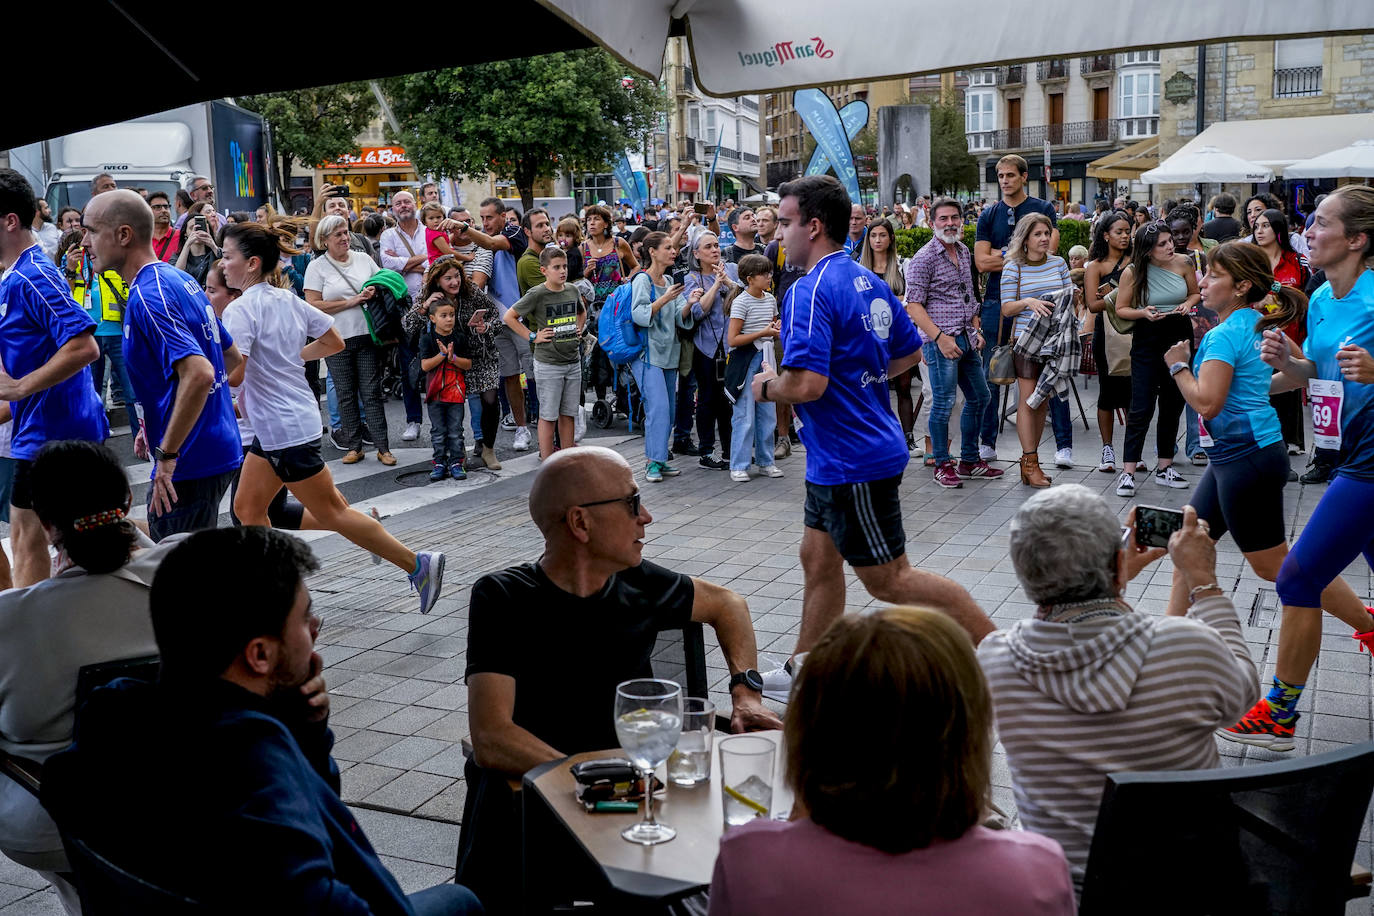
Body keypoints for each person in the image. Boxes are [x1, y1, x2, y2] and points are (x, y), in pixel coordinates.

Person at [42, 526, 482, 915]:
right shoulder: (252, 758)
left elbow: (313, 818)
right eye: (304, 617)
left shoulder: (111, 715)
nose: (315, 627)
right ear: (259, 654)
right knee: (463, 901)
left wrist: (307, 735)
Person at [460, 446, 783, 911]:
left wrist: (746, 695)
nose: (646, 517)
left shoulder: (639, 581)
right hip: (534, 816)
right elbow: (491, 737)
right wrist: (599, 784)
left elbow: (728, 604)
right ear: (580, 523)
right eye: (632, 503)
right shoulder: (504, 598)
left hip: (637, 805)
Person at [749, 175, 996, 700]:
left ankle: (1004, 654)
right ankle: (804, 670)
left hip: (850, 459)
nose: (778, 233)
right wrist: (861, 379)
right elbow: (907, 352)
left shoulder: (808, 290)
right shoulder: (867, 279)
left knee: (891, 580)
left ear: (813, 227)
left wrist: (764, 388)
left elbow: (807, 385)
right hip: (848, 453)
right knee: (817, 560)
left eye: (787, 223)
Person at [709, 607, 1076, 916]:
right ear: (969, 731)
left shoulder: (749, 857)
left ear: (809, 730)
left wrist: (806, 798)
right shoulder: (1035, 873)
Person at [979, 485, 1258, 890]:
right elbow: (1244, 693)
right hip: (1189, 888)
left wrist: (1111, 577)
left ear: (1023, 571)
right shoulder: (1187, 646)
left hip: (1061, 895)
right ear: (1115, 563)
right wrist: (1203, 580)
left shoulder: (996, 660)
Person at [222, 221, 446, 613]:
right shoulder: (286, 299)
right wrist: (292, 358)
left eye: (228, 257)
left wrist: (201, 374)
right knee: (247, 509)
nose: (223, 266)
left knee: (333, 514)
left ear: (252, 263)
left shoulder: (241, 309)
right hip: (283, 424)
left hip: (284, 428)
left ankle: (417, 564)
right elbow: (333, 341)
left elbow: (236, 372)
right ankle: (269, 591)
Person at [0, 440, 172, 914]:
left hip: (52, 825)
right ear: (128, 505)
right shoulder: (188, 573)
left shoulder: (11, 619)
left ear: (43, 521)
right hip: (187, 795)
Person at [1250, 185, 1374, 749]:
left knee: (1298, 576)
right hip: (1348, 452)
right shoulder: (1321, 297)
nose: (1308, 230)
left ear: (1356, 239)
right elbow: (1319, 377)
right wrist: (1284, 366)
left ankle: (1278, 714)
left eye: (1320, 223)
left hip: (1371, 464)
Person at [84, 190, 243, 540]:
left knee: (178, 576)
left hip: (188, 461)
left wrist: (168, 453)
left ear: (124, 235)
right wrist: (153, 420)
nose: (85, 241)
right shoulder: (180, 279)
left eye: (92, 231)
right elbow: (228, 358)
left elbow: (200, 373)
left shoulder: (148, 295)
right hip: (214, 448)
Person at [0, 169, 109, 588]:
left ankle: (29, 640)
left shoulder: (34, 274)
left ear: (10, 220)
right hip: (46, 427)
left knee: (29, 538)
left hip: (55, 432)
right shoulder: (15, 275)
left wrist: (21, 387)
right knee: (79, 538)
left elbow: (84, 346)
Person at [905, 197, 999, 488]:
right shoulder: (924, 258)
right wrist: (939, 338)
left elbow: (968, 294)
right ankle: (943, 464)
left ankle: (969, 461)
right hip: (940, 339)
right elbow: (914, 306)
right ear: (932, 223)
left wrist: (975, 328)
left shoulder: (964, 250)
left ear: (961, 220)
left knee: (980, 397)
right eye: (943, 219)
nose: (950, 223)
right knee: (943, 403)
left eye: (954, 218)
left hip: (966, 338)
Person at [974, 155, 1062, 462]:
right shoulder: (989, 214)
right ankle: (987, 441)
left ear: (1024, 176)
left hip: (1039, 302)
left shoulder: (1044, 209)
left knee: (1047, 372)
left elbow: (1048, 252)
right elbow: (981, 263)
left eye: (1010, 175)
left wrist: (1004, 255)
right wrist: (1021, 254)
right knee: (991, 371)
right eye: (1000, 175)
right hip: (998, 302)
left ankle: (1057, 446)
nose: (1005, 180)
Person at [205, 261, 305, 530]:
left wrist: (209, 398)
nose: (205, 296)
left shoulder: (239, 327)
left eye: (212, 290)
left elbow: (239, 383)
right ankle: (363, 525)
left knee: (245, 515)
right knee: (274, 512)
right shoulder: (224, 327)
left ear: (234, 295)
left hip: (257, 434)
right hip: (259, 431)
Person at [1112, 220, 1200, 497]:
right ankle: (1127, 471)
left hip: (1178, 331)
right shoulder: (1133, 272)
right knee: (1141, 405)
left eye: (1170, 240)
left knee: (1173, 403)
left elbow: (1196, 292)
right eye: (1162, 244)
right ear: (1148, 250)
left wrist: (1188, 303)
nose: (1170, 246)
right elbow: (1121, 308)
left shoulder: (1185, 263)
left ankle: (1165, 467)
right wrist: (1143, 313)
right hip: (1148, 336)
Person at [304, 214, 396, 466]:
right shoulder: (317, 266)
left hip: (366, 336)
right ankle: (354, 446)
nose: (345, 238)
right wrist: (351, 301)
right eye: (338, 235)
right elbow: (312, 305)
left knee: (371, 393)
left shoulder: (364, 259)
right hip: (336, 340)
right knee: (345, 394)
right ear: (324, 240)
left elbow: (382, 282)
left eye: (346, 232)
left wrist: (375, 289)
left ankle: (383, 447)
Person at [450, 199, 537, 451]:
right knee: (509, 375)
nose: (485, 223)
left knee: (534, 375)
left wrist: (462, 227)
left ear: (503, 217)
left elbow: (489, 242)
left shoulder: (513, 232)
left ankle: (546, 426)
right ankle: (521, 428)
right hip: (496, 320)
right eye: (482, 218)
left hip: (522, 317)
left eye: (489, 218)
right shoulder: (480, 242)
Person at [1000, 213, 1074, 488]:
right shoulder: (1013, 267)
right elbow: (1006, 308)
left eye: (1047, 233)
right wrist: (1029, 302)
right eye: (1038, 234)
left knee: (1043, 401)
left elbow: (1070, 295)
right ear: (1025, 239)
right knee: (1028, 401)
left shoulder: (1059, 263)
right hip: (1026, 342)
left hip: (1055, 343)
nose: (1044, 238)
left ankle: (1032, 461)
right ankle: (1029, 461)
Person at [422, 258, 504, 470]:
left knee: (491, 400)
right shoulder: (430, 297)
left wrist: (485, 327)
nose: (454, 282)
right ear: (437, 280)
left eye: (456, 276)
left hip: (481, 356)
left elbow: (496, 317)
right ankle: (454, 455)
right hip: (447, 361)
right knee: (451, 409)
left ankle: (488, 449)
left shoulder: (472, 291)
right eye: (448, 278)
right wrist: (424, 306)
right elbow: (408, 325)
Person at [504, 246, 585, 460]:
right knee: (548, 415)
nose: (562, 271)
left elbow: (581, 312)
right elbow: (510, 317)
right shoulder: (538, 293)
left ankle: (566, 459)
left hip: (572, 361)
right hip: (549, 363)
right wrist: (532, 336)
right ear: (544, 270)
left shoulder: (572, 290)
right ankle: (547, 460)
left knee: (568, 414)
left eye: (565, 266)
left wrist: (579, 328)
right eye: (556, 267)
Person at [631, 231, 697, 482]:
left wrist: (689, 302)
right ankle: (652, 463)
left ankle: (660, 458)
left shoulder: (669, 280)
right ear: (652, 252)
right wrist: (665, 299)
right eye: (668, 247)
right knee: (658, 409)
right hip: (649, 354)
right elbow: (639, 316)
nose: (673, 251)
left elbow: (681, 316)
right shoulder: (642, 281)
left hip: (670, 353)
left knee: (668, 411)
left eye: (674, 247)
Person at [683, 231, 740, 469]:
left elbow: (747, 297)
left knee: (730, 400)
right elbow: (697, 312)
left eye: (717, 245)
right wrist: (716, 285)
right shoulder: (691, 279)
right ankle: (707, 451)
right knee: (707, 400)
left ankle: (730, 450)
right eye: (708, 247)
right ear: (696, 254)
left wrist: (727, 281)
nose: (715, 250)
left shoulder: (733, 270)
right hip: (705, 347)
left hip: (731, 345)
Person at [1083, 212, 1134, 473]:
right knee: (1108, 390)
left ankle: (1130, 450)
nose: (1125, 236)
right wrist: (1121, 294)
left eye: (1128, 231)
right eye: (1119, 232)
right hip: (1108, 334)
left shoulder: (1137, 261)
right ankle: (1107, 448)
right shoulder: (1096, 266)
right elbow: (1092, 305)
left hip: (1137, 331)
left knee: (1135, 393)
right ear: (1106, 235)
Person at [725, 254, 783, 482]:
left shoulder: (769, 299)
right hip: (747, 361)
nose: (769, 277)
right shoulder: (741, 302)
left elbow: (773, 323)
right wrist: (764, 333)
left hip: (766, 358)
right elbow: (733, 340)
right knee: (744, 414)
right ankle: (738, 464)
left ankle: (766, 461)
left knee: (767, 414)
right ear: (750, 278)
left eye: (769, 272)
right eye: (764, 273)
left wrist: (775, 328)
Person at [379, 190, 428, 443]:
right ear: (392, 208)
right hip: (404, 309)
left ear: (415, 203)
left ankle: (444, 420)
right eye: (398, 203)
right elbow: (388, 264)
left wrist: (405, 261)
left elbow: (440, 259)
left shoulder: (428, 229)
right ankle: (413, 420)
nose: (403, 206)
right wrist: (422, 262)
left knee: (437, 362)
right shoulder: (388, 234)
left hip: (433, 305)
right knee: (409, 366)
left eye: (407, 201)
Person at [580, 203, 638, 404]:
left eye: (596, 219)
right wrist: (586, 272)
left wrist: (628, 279)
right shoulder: (583, 247)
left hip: (616, 306)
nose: (592, 223)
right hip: (594, 307)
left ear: (606, 223)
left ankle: (622, 394)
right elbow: (577, 280)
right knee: (597, 352)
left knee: (617, 347)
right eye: (589, 219)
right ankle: (600, 398)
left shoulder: (618, 243)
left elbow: (636, 266)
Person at [419, 297, 472, 480]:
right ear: (433, 318)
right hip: (435, 393)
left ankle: (456, 462)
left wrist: (453, 358)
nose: (449, 319)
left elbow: (468, 364)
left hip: (455, 392)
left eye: (452, 315)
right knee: (438, 430)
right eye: (444, 316)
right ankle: (439, 462)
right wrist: (442, 354)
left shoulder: (459, 337)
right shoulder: (427, 338)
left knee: (456, 430)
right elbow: (425, 366)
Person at [174, 200, 222, 287]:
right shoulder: (177, 257)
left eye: (201, 227)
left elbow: (227, 268)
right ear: (185, 233)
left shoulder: (215, 252)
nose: (196, 231)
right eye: (192, 228)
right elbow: (176, 276)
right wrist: (187, 244)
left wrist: (213, 245)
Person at [147, 190, 180, 262]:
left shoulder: (181, 237)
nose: (164, 210)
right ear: (148, 210)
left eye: (166, 207)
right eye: (157, 207)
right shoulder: (142, 238)